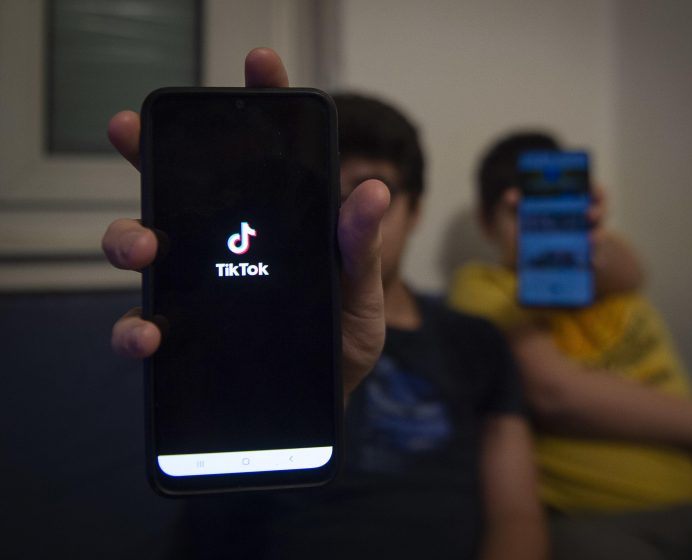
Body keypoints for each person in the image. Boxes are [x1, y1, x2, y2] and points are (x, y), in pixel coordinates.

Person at [103, 49, 548, 559]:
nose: (347, 217)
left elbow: (517, 516)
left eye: (371, 191)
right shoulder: (252, 320)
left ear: (417, 210)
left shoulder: (476, 341)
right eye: (328, 195)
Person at [448, 131, 692, 558]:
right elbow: (555, 395)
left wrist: (587, 236)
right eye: (520, 213)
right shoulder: (484, 286)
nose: (541, 224)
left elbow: (631, 271)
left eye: (557, 206)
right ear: (487, 223)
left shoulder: (605, 270)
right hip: (609, 518)